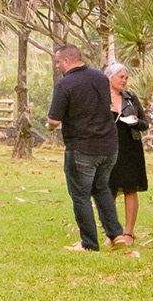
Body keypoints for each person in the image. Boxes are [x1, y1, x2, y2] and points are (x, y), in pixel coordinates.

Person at [47, 44, 127, 251]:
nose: (57, 66)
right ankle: (116, 235)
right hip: (108, 146)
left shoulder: (65, 84)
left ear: (67, 61)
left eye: (58, 62)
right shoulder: (101, 77)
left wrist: (49, 127)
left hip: (82, 148)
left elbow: (54, 120)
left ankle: (89, 243)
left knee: (80, 195)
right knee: (101, 189)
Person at [107, 61, 149, 241]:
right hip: (108, 148)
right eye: (121, 77)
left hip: (130, 148)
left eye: (126, 78)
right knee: (109, 189)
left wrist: (136, 122)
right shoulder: (100, 97)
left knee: (130, 189)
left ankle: (129, 233)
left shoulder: (131, 98)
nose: (124, 81)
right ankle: (111, 233)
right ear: (109, 77)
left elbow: (145, 123)